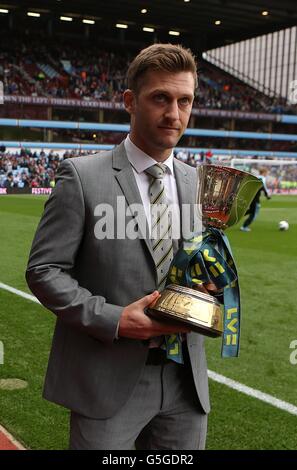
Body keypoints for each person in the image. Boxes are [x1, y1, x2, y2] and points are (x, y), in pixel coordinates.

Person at [26, 44, 214, 450]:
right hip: (107, 380)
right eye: (160, 98)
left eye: (185, 101)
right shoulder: (81, 176)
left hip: (186, 383)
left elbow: (197, 264)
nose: (174, 114)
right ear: (130, 101)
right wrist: (114, 320)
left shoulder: (197, 183)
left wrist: (212, 288)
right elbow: (44, 270)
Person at [240, 167, 271, 232]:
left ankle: (241, 214)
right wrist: (267, 195)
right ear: (264, 173)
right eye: (266, 173)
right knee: (254, 213)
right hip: (255, 198)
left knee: (251, 210)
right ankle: (244, 226)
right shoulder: (262, 178)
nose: (267, 174)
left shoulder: (256, 177)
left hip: (251, 197)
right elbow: (263, 187)